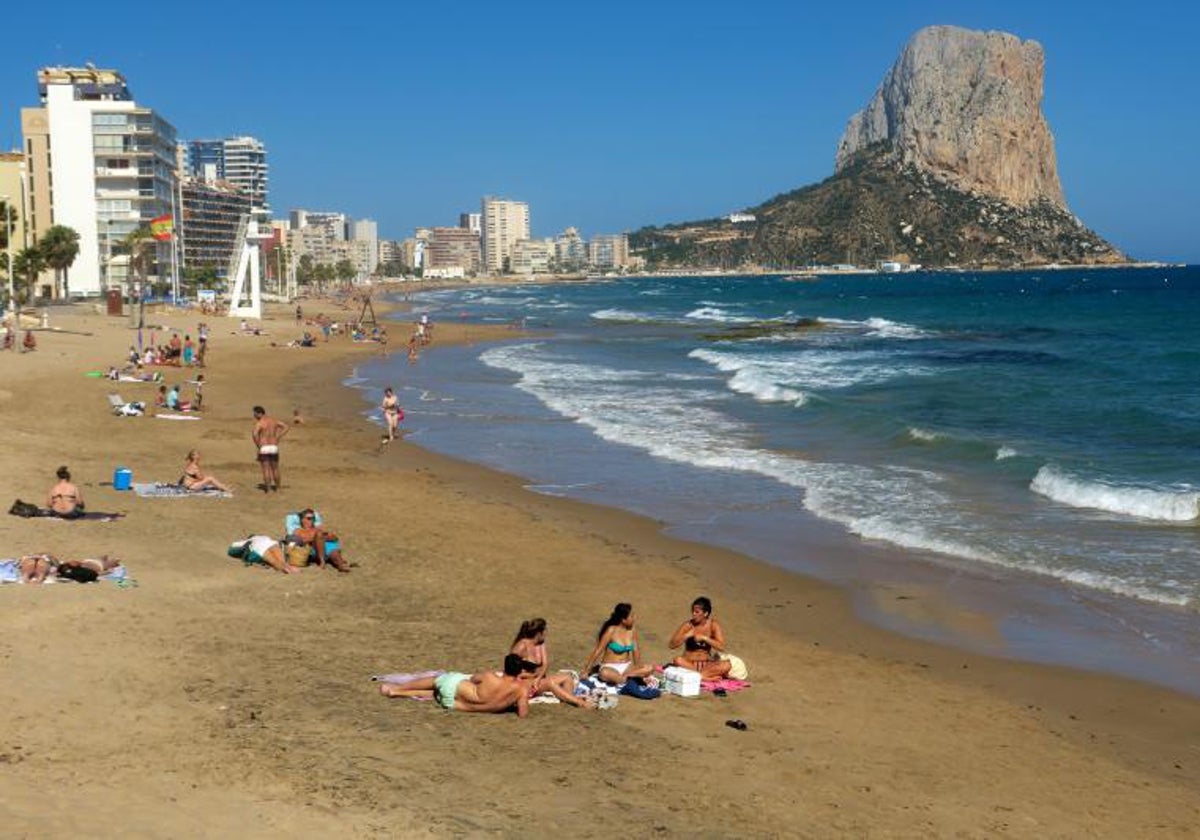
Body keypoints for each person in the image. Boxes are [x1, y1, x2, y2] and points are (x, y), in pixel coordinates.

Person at [379, 654, 536, 717]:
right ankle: (401, 693)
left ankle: (397, 689)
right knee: (436, 693)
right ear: (520, 670)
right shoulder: (521, 689)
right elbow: (523, 713)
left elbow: (473, 678)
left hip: (452, 690)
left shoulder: (490, 677)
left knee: (438, 680)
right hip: (451, 704)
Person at [511, 618, 594, 708]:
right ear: (539, 633)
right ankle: (580, 703)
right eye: (545, 630)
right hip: (524, 683)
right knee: (550, 683)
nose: (547, 632)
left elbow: (545, 664)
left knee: (567, 677)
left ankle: (569, 698)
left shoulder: (540, 643)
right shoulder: (521, 647)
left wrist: (538, 677)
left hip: (538, 680)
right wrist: (532, 676)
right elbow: (512, 671)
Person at [583, 603, 656, 685]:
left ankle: (624, 678)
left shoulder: (632, 630)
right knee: (604, 673)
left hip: (626, 667)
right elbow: (598, 650)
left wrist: (637, 668)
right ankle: (629, 679)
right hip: (610, 667)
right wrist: (586, 670)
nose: (634, 618)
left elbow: (635, 649)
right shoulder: (611, 631)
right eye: (631, 617)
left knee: (650, 668)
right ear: (623, 620)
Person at [668, 596, 732, 680]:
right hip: (688, 664)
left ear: (705, 613)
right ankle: (705, 677)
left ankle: (699, 676)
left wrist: (705, 638)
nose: (694, 614)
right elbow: (672, 645)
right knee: (677, 660)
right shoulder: (688, 625)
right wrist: (686, 635)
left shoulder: (713, 625)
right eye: (693, 612)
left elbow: (721, 647)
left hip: (705, 665)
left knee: (727, 665)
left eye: (697, 612)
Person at [251, 406, 288, 492]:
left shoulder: (260, 423)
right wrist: (278, 436)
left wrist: (258, 445)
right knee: (275, 468)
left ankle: (268, 489)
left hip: (264, 446)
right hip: (274, 446)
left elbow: (254, 434)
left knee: (266, 469)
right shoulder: (273, 420)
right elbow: (286, 426)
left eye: (255, 414)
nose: (254, 416)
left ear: (259, 413)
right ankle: (278, 488)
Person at [228, 535, 299, 575]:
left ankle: (289, 570)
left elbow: (231, 550)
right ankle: (292, 569)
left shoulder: (248, 541)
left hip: (258, 546)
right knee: (281, 562)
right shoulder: (262, 537)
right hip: (272, 543)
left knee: (277, 564)